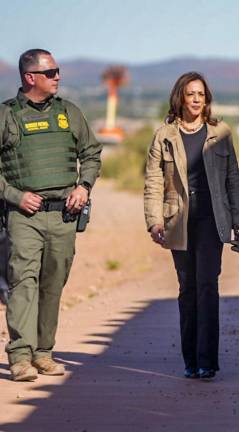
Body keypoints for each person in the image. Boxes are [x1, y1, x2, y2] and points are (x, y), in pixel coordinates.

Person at [0, 49, 102, 381]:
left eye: (58, 71)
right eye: (51, 72)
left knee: (53, 283)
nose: (58, 76)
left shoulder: (69, 112)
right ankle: (19, 356)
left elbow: (91, 153)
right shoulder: (6, 116)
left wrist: (84, 186)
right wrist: (15, 195)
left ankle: (43, 353)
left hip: (64, 217)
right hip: (24, 217)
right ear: (31, 78)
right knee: (23, 282)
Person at [143, 72, 239, 380]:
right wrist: (154, 221)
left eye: (201, 94)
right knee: (187, 289)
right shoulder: (164, 135)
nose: (197, 99)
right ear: (180, 98)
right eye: (191, 94)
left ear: (207, 98)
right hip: (179, 222)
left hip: (213, 220)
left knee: (207, 286)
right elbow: (153, 181)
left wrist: (238, 219)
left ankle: (207, 361)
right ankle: (190, 360)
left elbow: (233, 179)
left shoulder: (221, 132)